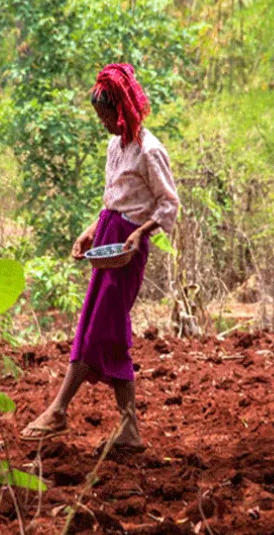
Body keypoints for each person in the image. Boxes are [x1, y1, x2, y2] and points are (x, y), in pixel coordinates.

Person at [20, 63, 180, 452]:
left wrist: (142, 233)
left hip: (127, 249)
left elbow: (169, 203)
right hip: (108, 238)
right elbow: (113, 198)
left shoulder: (150, 150)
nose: (104, 123)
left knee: (103, 331)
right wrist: (92, 228)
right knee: (95, 325)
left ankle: (61, 410)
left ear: (122, 109)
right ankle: (127, 429)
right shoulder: (115, 146)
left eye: (106, 115)